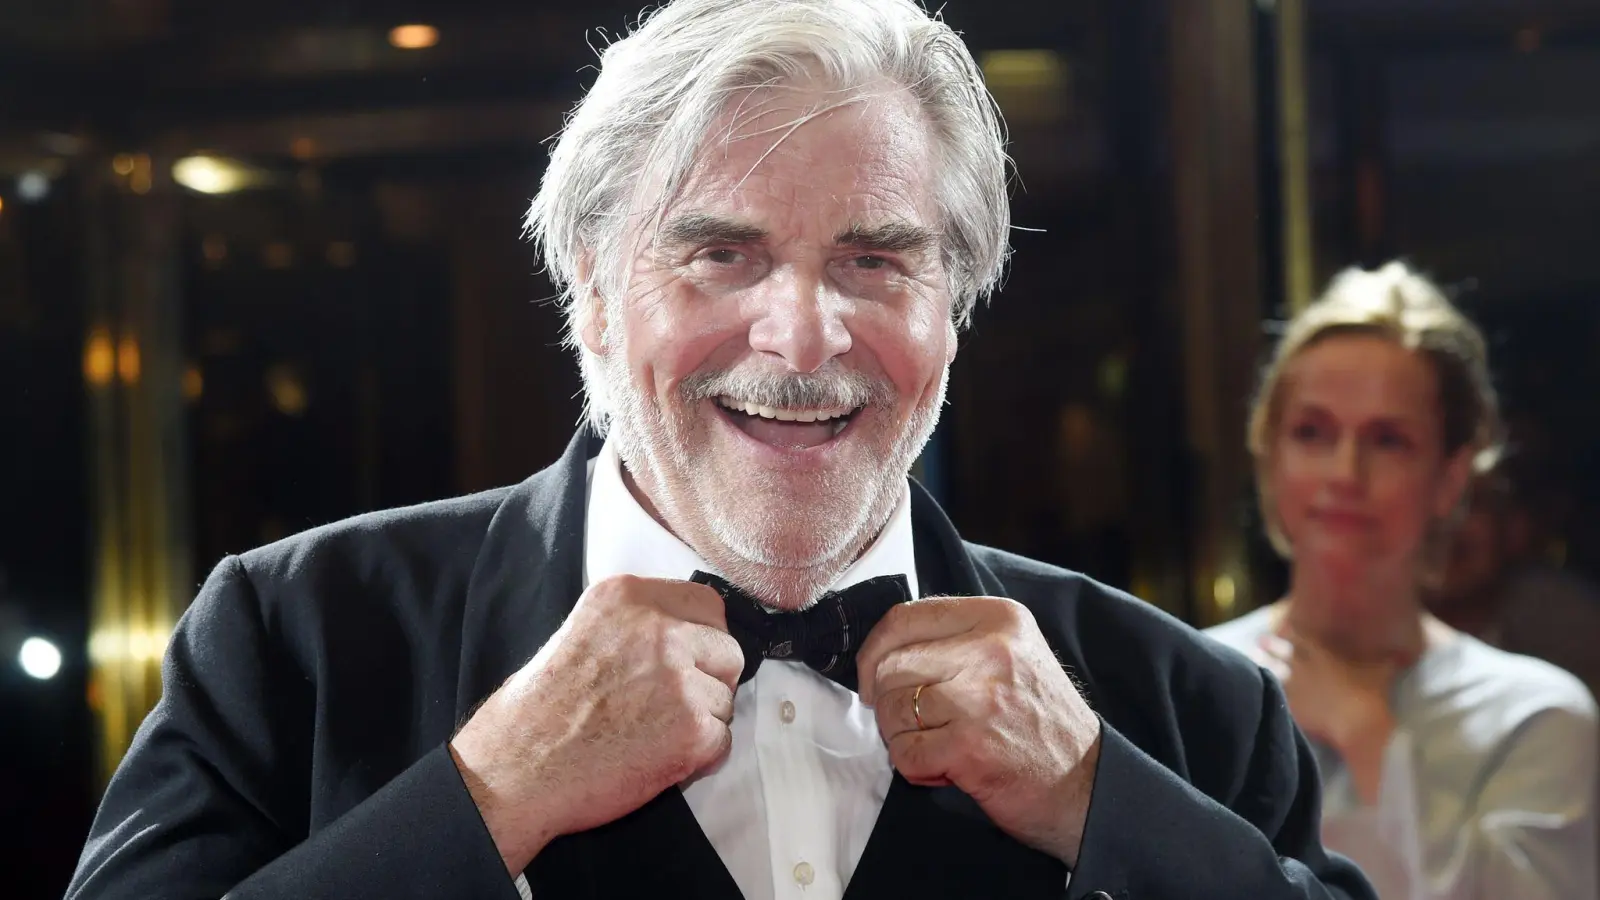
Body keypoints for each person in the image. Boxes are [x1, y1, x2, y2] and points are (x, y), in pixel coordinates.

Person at [66, 2, 1374, 898]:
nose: (802, 335)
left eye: (875, 260)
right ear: (586, 284)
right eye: (719, 254)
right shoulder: (291, 642)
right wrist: (487, 795)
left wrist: (1106, 803)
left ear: (956, 305)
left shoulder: (1190, 711)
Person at [1208, 262, 1599, 900]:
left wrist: (1370, 739)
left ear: (1449, 477)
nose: (1345, 472)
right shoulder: (1189, 676)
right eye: (1312, 433)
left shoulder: (1537, 718)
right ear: (1270, 457)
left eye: (1388, 440)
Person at [1430, 457, 1600, 703]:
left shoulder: (1567, 626)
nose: (1447, 525)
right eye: (1428, 504)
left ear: (1514, 529)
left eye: (1471, 504)